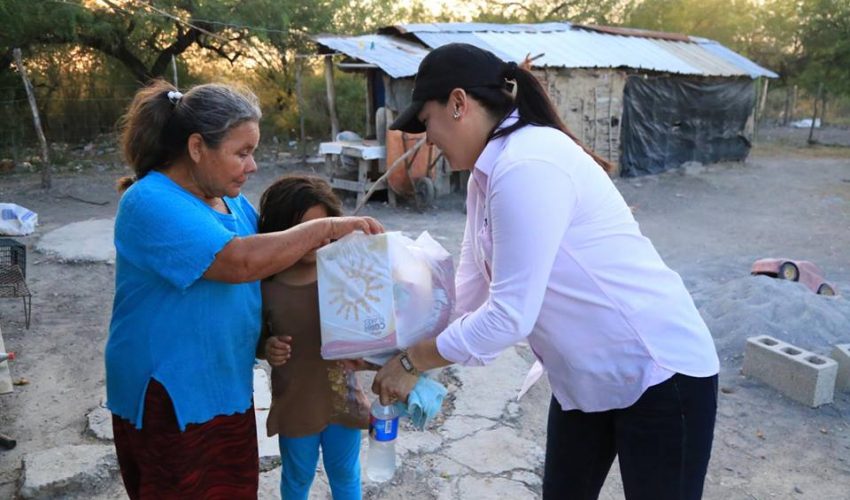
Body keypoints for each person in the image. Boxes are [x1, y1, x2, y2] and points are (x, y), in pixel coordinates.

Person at [371, 43, 720, 500]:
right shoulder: (486, 175)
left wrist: (413, 361)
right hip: (586, 376)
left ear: (458, 103)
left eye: (426, 120)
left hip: (656, 369)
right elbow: (469, 291)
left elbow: (509, 316)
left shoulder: (527, 164)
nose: (427, 138)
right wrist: (391, 350)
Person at [105, 80, 382, 499]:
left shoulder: (231, 202)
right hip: (170, 393)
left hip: (225, 384)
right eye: (242, 152)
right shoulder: (149, 201)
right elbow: (239, 262)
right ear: (197, 147)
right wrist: (325, 226)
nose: (252, 166)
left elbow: (275, 269)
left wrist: (357, 328)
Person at [256, 174, 377, 500]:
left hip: (343, 401)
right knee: (297, 477)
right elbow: (256, 341)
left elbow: (372, 330)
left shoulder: (344, 276)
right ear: (280, 231)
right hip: (296, 405)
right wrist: (267, 347)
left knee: (345, 474)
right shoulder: (266, 285)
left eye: (323, 229)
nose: (317, 240)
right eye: (304, 231)